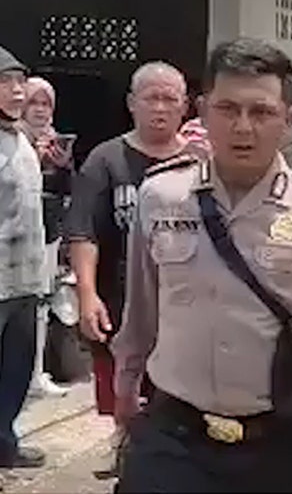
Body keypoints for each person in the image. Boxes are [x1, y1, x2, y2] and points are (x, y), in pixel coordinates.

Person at [112, 39, 292, 493]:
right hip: (173, 435)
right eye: (227, 108)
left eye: (261, 112)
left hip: (277, 447)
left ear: (289, 120)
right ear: (202, 113)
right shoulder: (160, 197)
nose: (243, 127)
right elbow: (141, 309)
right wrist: (125, 387)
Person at [65, 61, 190, 478]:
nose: (160, 108)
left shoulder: (200, 161)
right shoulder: (106, 160)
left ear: (185, 107)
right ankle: (129, 447)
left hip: (185, 299)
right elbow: (84, 230)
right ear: (131, 104)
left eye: (169, 99)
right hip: (122, 298)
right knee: (124, 385)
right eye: (150, 98)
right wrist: (87, 293)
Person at [0, 46, 47, 469]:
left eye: (20, 82)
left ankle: (4, 442)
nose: (17, 91)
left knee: (17, 368)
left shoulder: (21, 139)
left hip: (26, 277)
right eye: (5, 82)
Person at [21, 76, 72, 399]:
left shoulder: (55, 139)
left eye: (46, 103)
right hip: (13, 236)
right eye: (33, 102)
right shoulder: (12, 139)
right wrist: (33, 160)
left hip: (48, 229)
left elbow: (67, 189)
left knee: (42, 302)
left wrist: (63, 166)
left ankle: (36, 372)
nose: (40, 110)